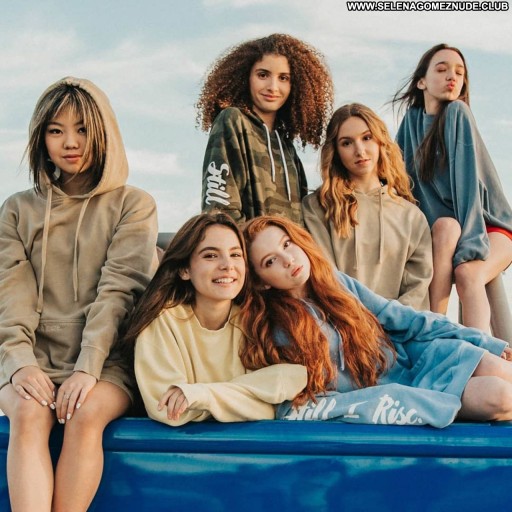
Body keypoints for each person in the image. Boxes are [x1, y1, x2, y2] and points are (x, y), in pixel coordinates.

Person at [0, 77, 159, 512]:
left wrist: (88, 367)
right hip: (31, 355)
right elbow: (11, 293)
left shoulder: (133, 204)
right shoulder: (17, 209)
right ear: (41, 138)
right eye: (56, 130)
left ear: (104, 132)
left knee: (84, 413)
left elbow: (119, 290)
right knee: (28, 413)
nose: (70, 142)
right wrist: (20, 363)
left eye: (83, 129)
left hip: (106, 361)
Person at [240, 215, 512, 428]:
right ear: (261, 282)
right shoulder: (276, 330)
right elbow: (309, 402)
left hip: (415, 361)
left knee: (501, 369)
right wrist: (391, 401)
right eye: (270, 261)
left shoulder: (335, 282)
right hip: (395, 398)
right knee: (501, 397)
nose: (288, 260)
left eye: (287, 244)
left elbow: (405, 318)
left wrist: (484, 341)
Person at [122, 212, 306, 426]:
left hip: (248, 443)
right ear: (184, 269)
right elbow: (168, 409)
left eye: (235, 254)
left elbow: (285, 392)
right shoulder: (162, 320)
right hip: (180, 444)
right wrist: (243, 401)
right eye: (210, 256)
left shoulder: (255, 317)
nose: (227, 265)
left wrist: (202, 395)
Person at [393, 43, 512, 330]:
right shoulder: (411, 122)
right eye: (442, 69)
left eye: (459, 73)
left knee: (468, 274)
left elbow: (468, 188)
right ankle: (437, 328)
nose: (452, 77)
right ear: (421, 81)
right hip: (447, 232)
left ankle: (478, 348)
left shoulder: (458, 112)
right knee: (445, 227)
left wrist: (470, 248)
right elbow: (396, 182)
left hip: (489, 227)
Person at [302, 103, 432, 310]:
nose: (360, 150)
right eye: (347, 143)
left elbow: (418, 288)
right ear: (335, 151)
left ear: (380, 141)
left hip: (399, 326)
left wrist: (388, 322)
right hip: (343, 320)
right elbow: (324, 276)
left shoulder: (412, 216)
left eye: (367, 138)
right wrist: (358, 321)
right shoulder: (317, 207)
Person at [197, 33, 334, 225]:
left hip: (290, 245)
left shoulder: (286, 146)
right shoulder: (233, 121)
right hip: (247, 243)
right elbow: (219, 210)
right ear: (246, 77)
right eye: (263, 75)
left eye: (283, 78)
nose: (273, 87)